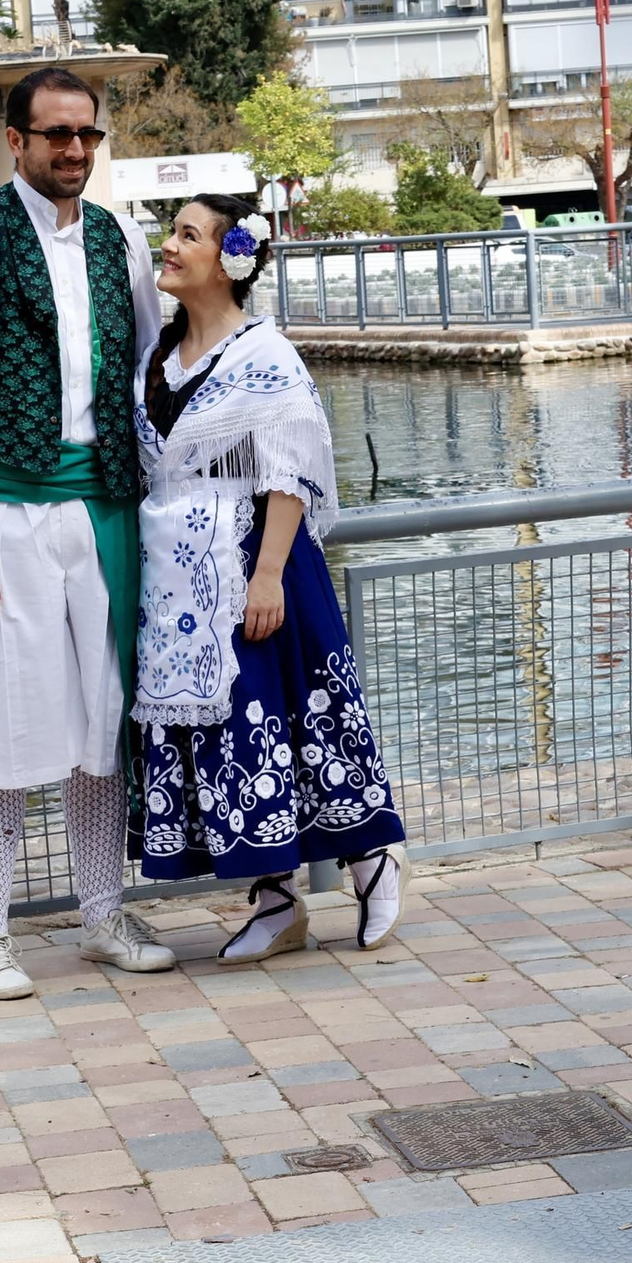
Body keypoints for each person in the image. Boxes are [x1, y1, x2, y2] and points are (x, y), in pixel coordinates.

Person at [0, 65, 174, 997]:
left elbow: (145, 375)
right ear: (13, 141)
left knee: (102, 721)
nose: (74, 150)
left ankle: (101, 914)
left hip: (103, 510)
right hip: (3, 515)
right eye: (55, 134)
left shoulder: (119, 240)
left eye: (87, 135)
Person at [132, 194, 405, 963]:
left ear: (229, 260)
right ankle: (278, 901)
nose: (172, 245)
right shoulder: (158, 355)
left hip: (257, 558)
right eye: (174, 232)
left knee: (293, 716)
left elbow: (290, 468)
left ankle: (373, 862)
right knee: (226, 734)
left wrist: (271, 574)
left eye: (188, 235)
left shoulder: (266, 355)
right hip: (180, 579)